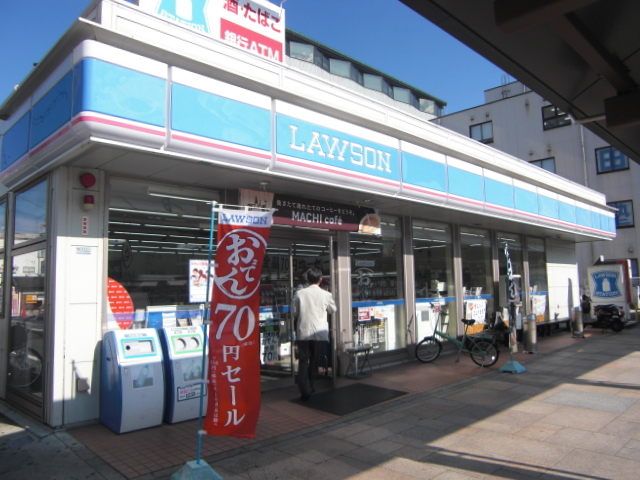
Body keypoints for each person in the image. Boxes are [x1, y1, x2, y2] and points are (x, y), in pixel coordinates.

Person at [293, 267, 336, 400]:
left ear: (307, 279)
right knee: (314, 360)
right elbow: (333, 309)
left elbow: (294, 312)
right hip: (319, 332)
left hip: (304, 331)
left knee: (303, 360)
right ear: (320, 280)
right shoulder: (326, 295)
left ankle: (304, 388)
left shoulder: (299, 293)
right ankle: (310, 385)